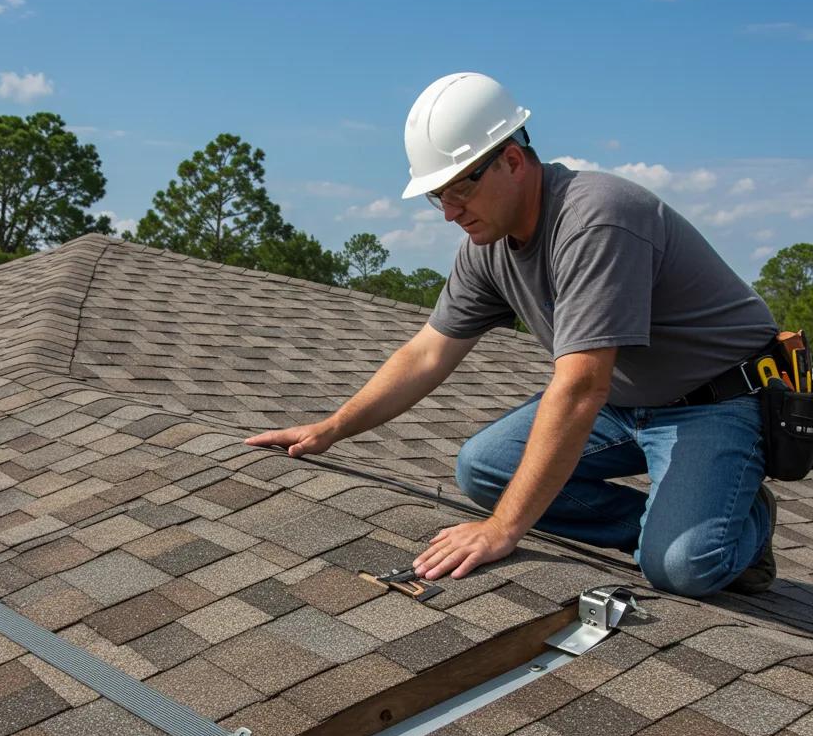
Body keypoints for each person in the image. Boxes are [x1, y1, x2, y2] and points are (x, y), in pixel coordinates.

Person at [245, 72, 779, 598]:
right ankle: (676, 523)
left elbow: (579, 388)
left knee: (682, 570)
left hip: (717, 400)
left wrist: (504, 530)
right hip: (625, 402)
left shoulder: (595, 220)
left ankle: (740, 522)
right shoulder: (486, 246)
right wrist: (332, 428)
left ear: (513, 161)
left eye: (458, 190)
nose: (450, 213)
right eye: (437, 197)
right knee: (483, 471)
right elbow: (428, 352)